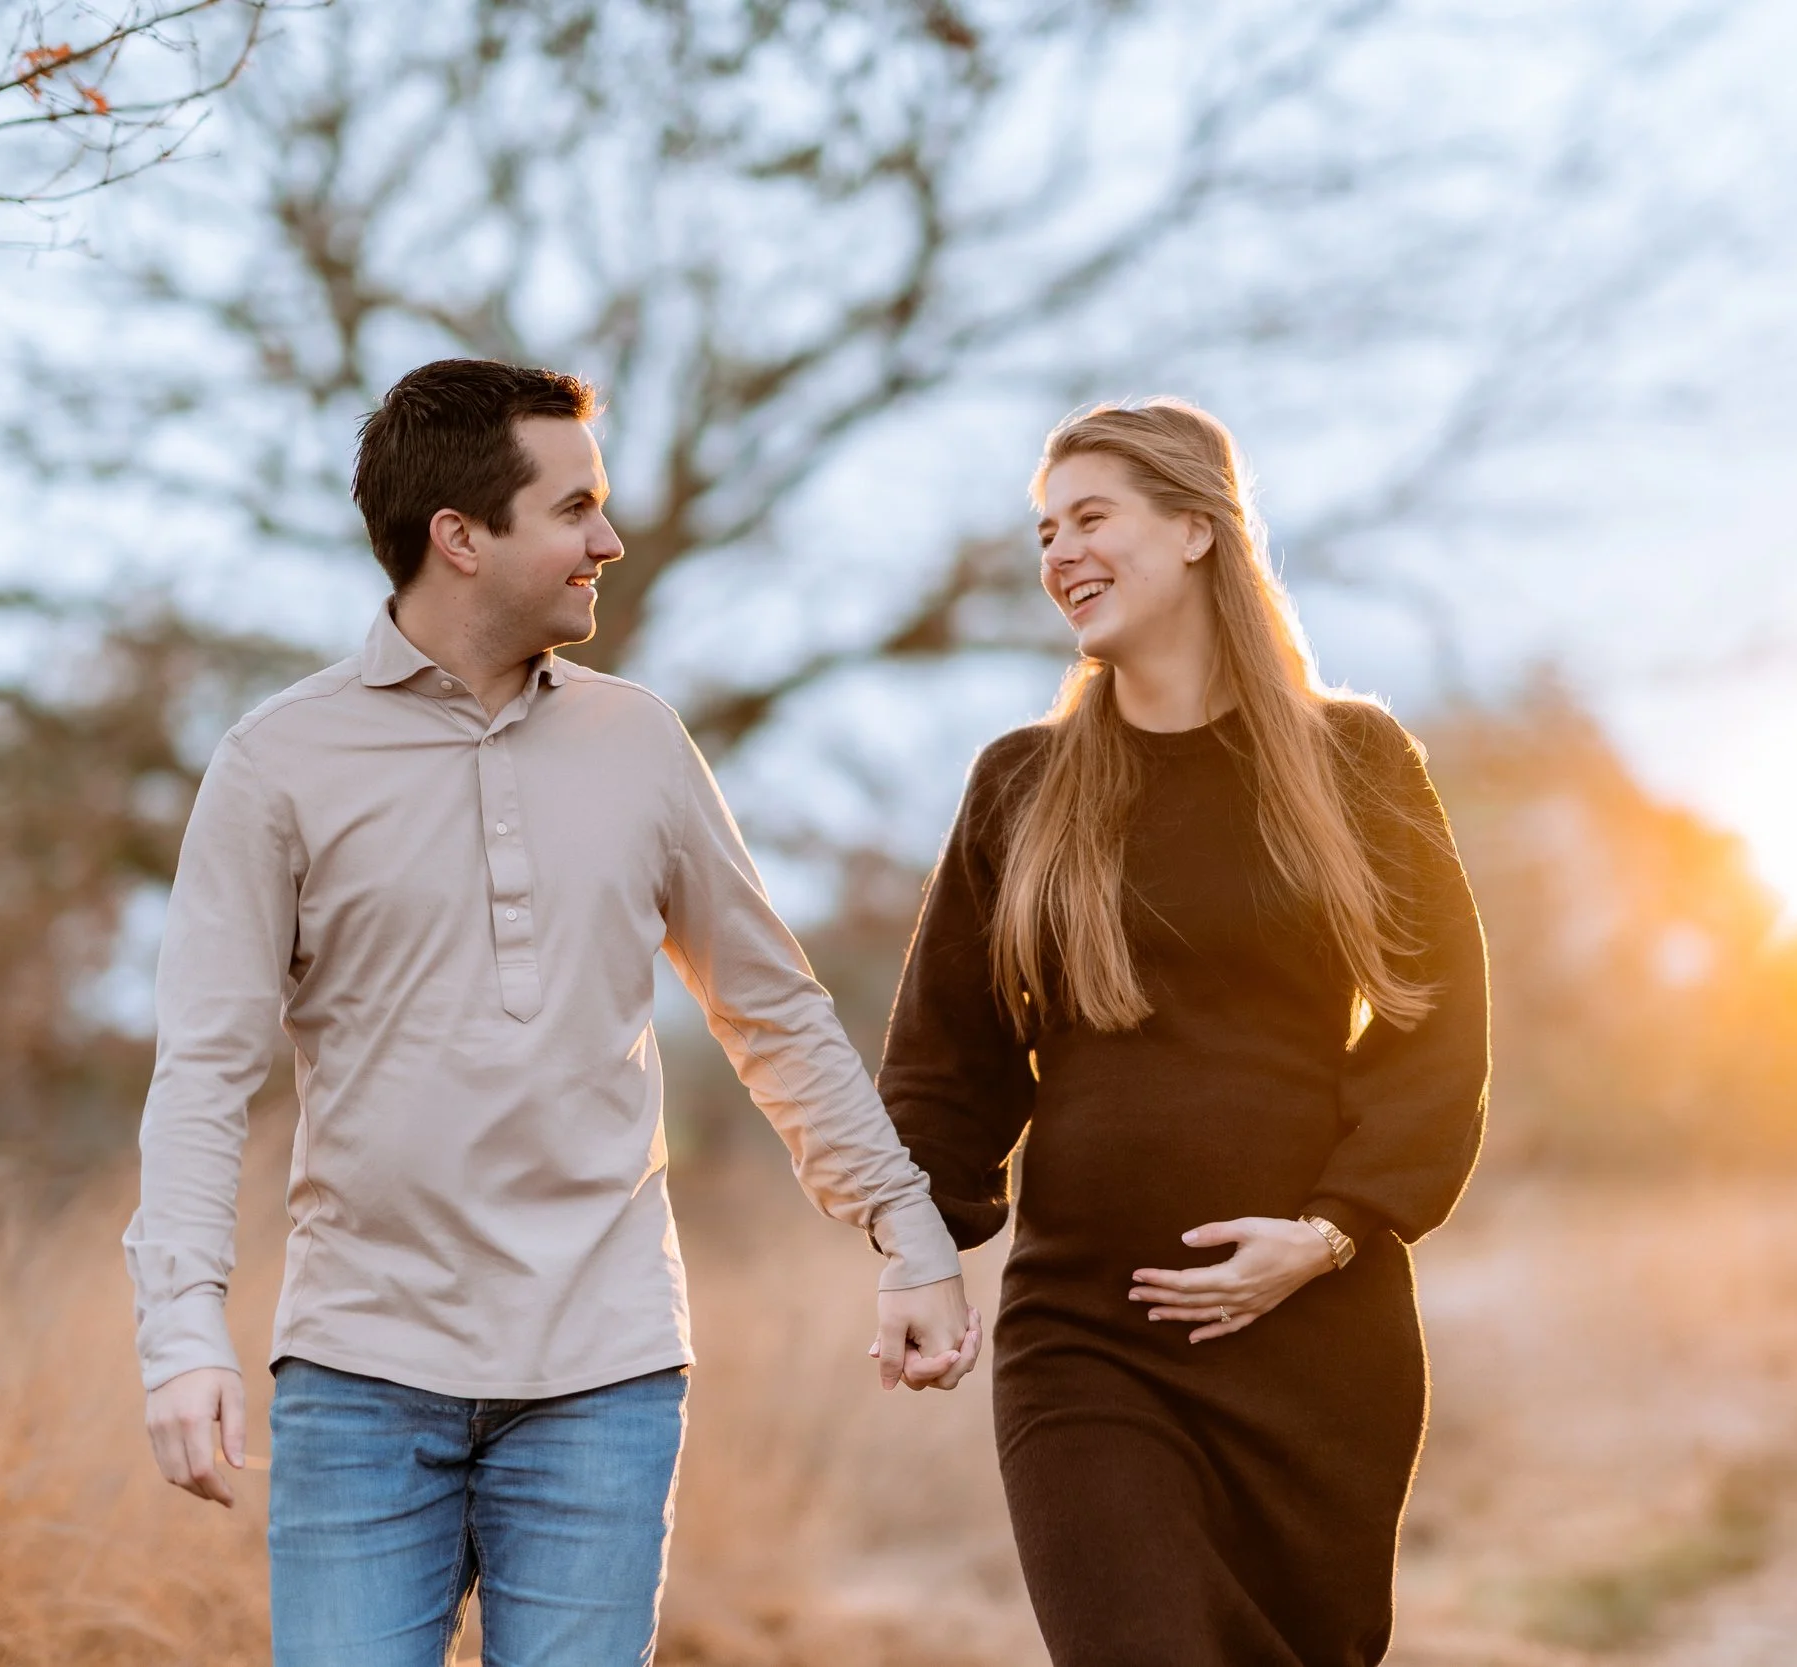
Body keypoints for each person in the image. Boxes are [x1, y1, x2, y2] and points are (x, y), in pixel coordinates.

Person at [123, 358, 980, 1667]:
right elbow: (204, 1070)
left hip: (604, 1367)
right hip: (360, 1368)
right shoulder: (274, 764)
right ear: (459, 538)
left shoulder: (641, 741)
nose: (610, 539)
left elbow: (773, 1011)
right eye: (575, 507)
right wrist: (182, 1326)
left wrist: (906, 1230)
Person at [878, 398, 1489, 1667]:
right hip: (1084, 1340)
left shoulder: (1355, 761)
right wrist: (915, 1247)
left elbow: (1439, 1031)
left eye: (1090, 517)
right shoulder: (1021, 784)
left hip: (1317, 1346)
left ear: (1199, 528)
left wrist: (1326, 1234)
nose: (1059, 555)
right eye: (1046, 531)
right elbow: (947, 1058)